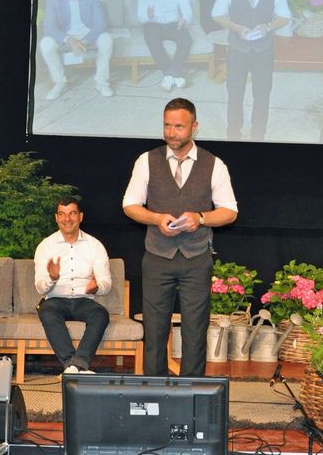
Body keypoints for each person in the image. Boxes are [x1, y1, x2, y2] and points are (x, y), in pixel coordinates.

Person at [122, 97, 238, 376]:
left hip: (196, 259)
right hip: (157, 257)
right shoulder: (146, 161)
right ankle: (154, 392)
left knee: (195, 330)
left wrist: (201, 218)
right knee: (154, 329)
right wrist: (155, 218)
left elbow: (230, 211)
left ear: (194, 127)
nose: (171, 132)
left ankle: (191, 394)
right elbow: (129, 204)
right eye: (167, 126)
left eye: (179, 126)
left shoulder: (214, 164)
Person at [211, 0, 291, 141]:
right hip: (237, 50)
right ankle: (233, 135)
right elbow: (217, 15)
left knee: (262, 95)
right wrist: (236, 27)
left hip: (264, 51)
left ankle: (258, 135)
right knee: (235, 94)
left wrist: (268, 26)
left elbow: (285, 17)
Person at [34, 196, 112, 374]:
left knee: (101, 314)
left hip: (83, 300)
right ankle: (74, 365)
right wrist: (52, 278)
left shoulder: (95, 245)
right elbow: (39, 286)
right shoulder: (46, 246)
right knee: (47, 312)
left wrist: (97, 287)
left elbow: (106, 283)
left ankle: (75, 366)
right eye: (62, 214)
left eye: (72, 213)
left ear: (81, 216)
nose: (67, 219)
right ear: (56, 218)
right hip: (55, 300)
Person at [40, 0, 114, 100]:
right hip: (66, 34)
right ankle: (60, 82)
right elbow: (49, 27)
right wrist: (69, 40)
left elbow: (100, 24)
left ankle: (101, 81)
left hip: (87, 33)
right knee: (45, 43)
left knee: (106, 39)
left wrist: (84, 41)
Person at [137, 0, 194, 92]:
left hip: (173, 24)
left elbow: (188, 11)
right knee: (152, 40)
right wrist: (148, 15)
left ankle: (170, 75)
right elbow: (140, 16)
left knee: (186, 40)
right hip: (153, 24)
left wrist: (184, 19)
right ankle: (175, 76)